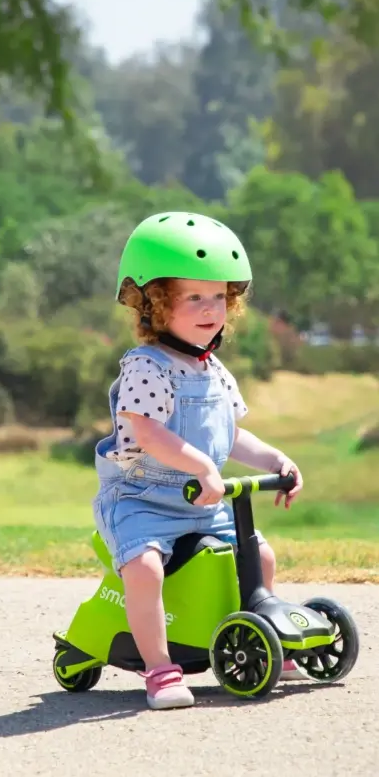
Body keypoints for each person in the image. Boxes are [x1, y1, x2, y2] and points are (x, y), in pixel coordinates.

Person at [92, 211, 306, 711]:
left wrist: (277, 460)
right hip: (142, 501)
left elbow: (230, 436)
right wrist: (200, 466)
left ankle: (261, 634)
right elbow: (147, 432)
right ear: (155, 305)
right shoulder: (146, 366)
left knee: (262, 556)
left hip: (201, 501)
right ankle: (160, 669)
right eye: (193, 297)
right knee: (145, 568)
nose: (211, 309)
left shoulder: (213, 370)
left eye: (219, 297)